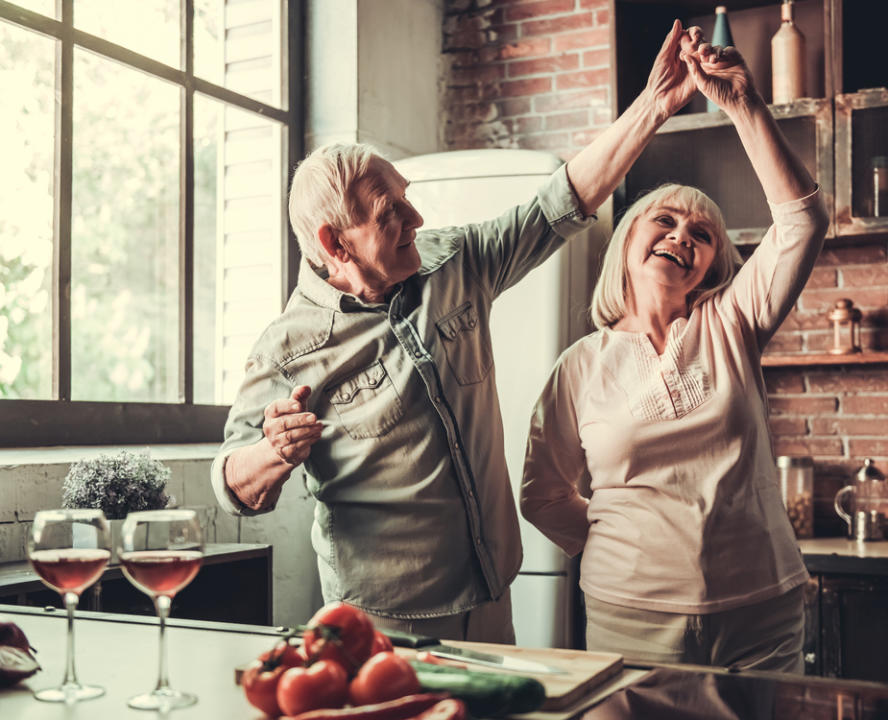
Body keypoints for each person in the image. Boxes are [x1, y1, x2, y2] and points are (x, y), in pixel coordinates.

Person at [211, 21, 706, 642]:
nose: (418, 218)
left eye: (407, 198)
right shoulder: (286, 348)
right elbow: (234, 486)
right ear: (334, 244)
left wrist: (654, 106)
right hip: (384, 620)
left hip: (494, 591)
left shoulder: (455, 263)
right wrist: (272, 452)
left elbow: (561, 200)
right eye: (392, 213)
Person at [520, 41, 829, 670]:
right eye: (664, 221)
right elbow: (543, 495)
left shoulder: (733, 321)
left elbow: (800, 222)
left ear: (713, 263)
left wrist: (743, 106)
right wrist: (626, 549)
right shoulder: (580, 365)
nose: (681, 237)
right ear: (628, 240)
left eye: (702, 235)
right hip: (627, 616)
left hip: (758, 612)